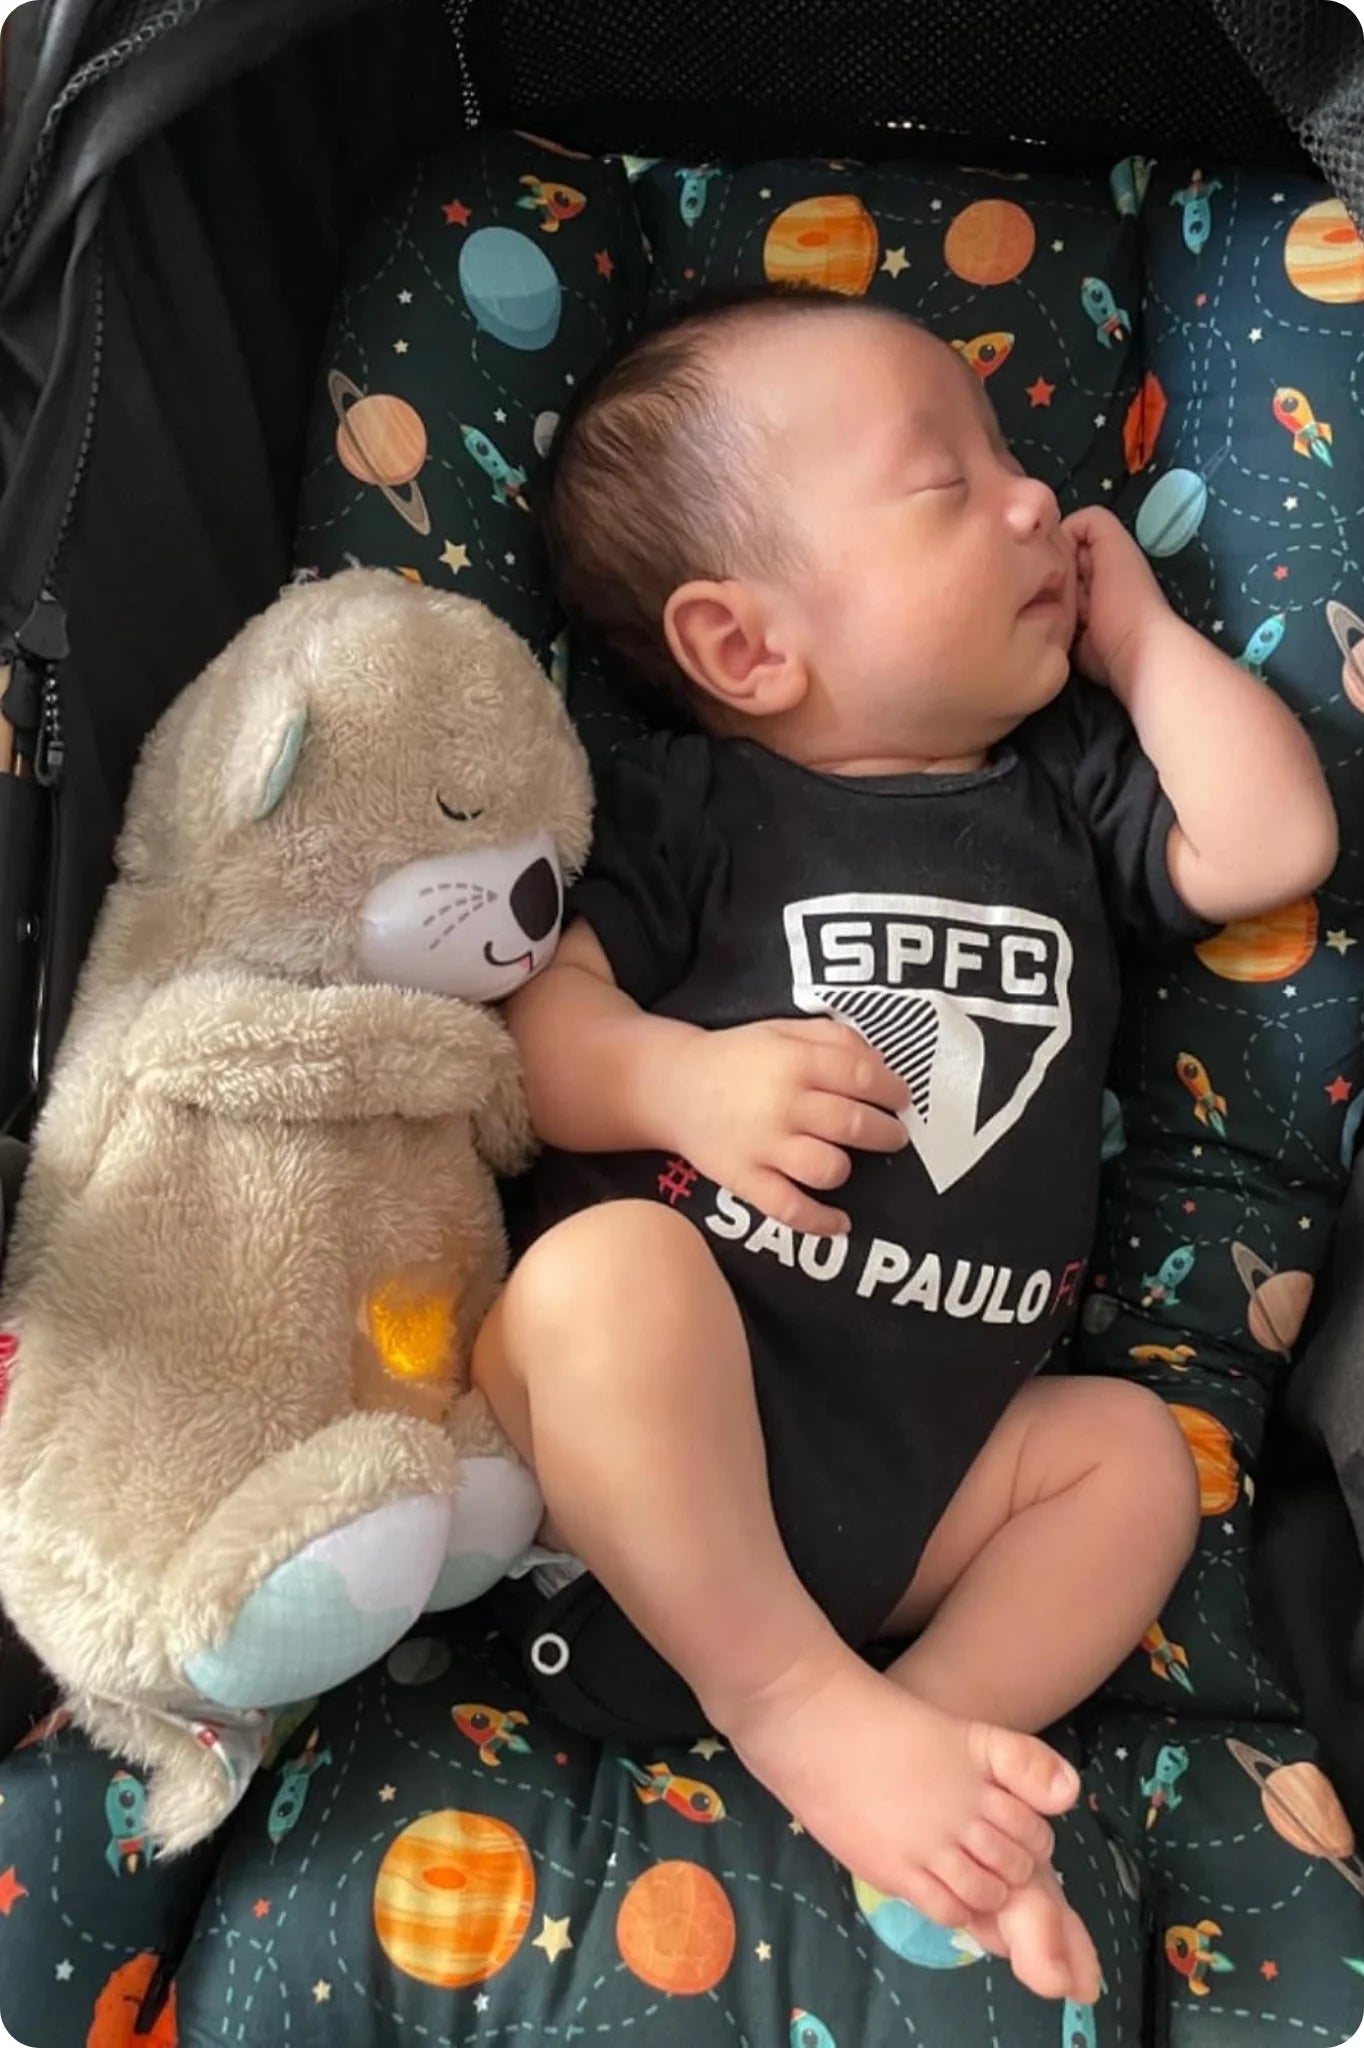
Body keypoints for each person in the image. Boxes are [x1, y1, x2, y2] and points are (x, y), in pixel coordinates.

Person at [472, 287, 1338, 2003]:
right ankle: (797, 1705)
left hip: (912, 1508)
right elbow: (534, 1040)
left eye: (1013, 458)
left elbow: (1271, 843)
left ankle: (902, 1751)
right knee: (603, 1274)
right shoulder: (689, 811)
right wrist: (675, 1083)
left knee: (1132, 1463)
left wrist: (1142, 642)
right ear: (746, 648)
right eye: (951, 484)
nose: (1035, 500)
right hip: (634, 1476)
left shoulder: (1065, 788)